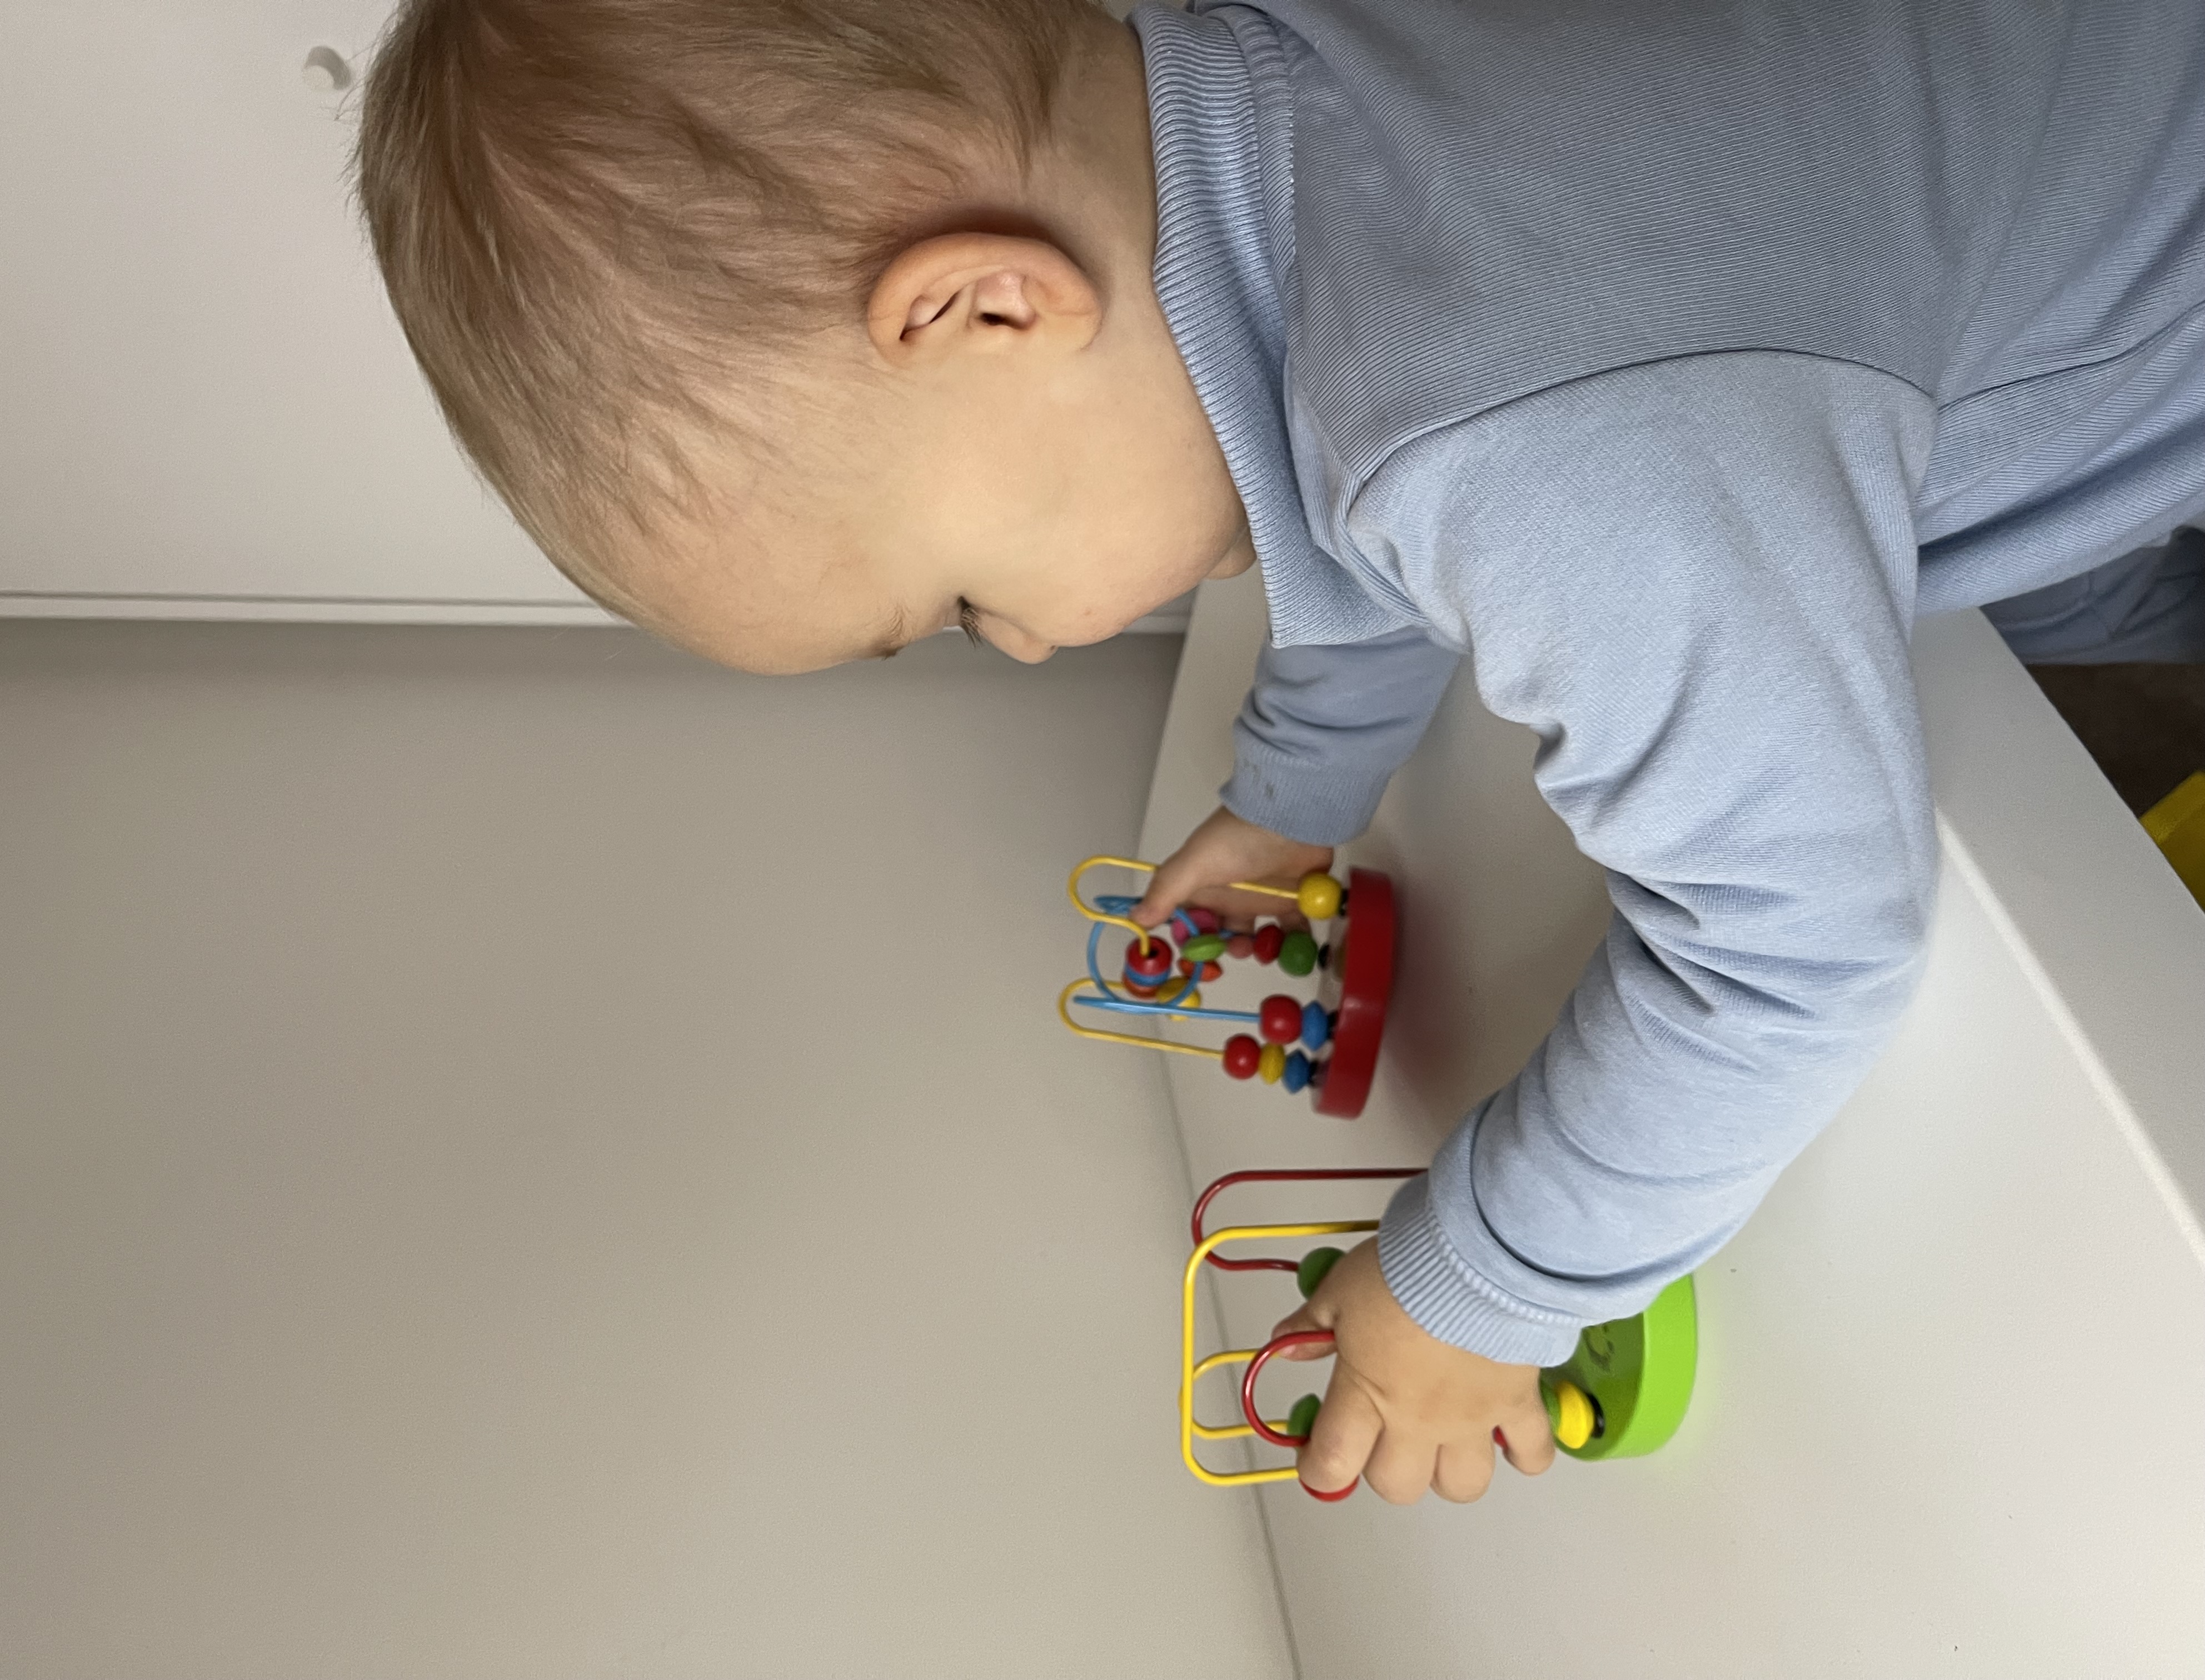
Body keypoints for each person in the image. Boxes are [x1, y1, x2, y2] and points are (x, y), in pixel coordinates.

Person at [356, 0, 2205, 1504]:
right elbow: (1340, 482)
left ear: (988, 307)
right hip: (2026, 280)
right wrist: (1287, 797)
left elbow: (1798, 944)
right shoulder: (1260, 120)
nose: (1031, 643)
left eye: (959, 602)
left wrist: (1481, 1282)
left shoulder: (1534, 439)